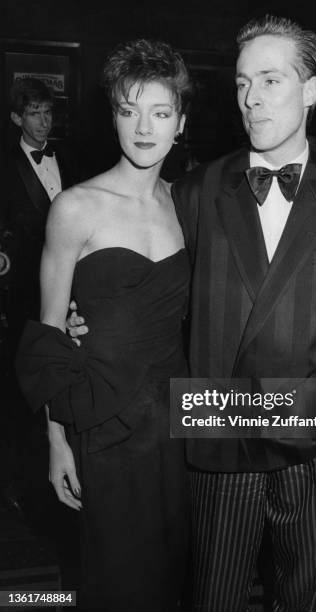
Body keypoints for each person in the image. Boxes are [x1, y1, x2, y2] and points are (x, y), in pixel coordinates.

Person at [172, 16, 316, 611]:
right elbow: (169, 314)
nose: (251, 99)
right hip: (221, 437)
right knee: (213, 595)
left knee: (304, 599)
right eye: (243, 83)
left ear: (311, 90)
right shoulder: (195, 192)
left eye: (270, 80)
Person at [16, 39, 191, 611]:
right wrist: (56, 440)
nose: (144, 128)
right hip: (105, 422)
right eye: (128, 110)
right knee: (118, 577)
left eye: (160, 112)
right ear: (112, 116)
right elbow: (47, 334)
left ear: (180, 123)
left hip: (177, 423)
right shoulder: (75, 207)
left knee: (173, 572)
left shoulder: (185, 205)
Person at [1, 78, 80, 521]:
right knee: (24, 391)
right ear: (16, 117)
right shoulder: (5, 163)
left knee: (62, 378)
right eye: (33, 112)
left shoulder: (68, 157)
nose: (43, 120)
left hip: (68, 287)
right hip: (24, 293)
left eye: (48, 112)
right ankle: (22, 484)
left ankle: (67, 464)